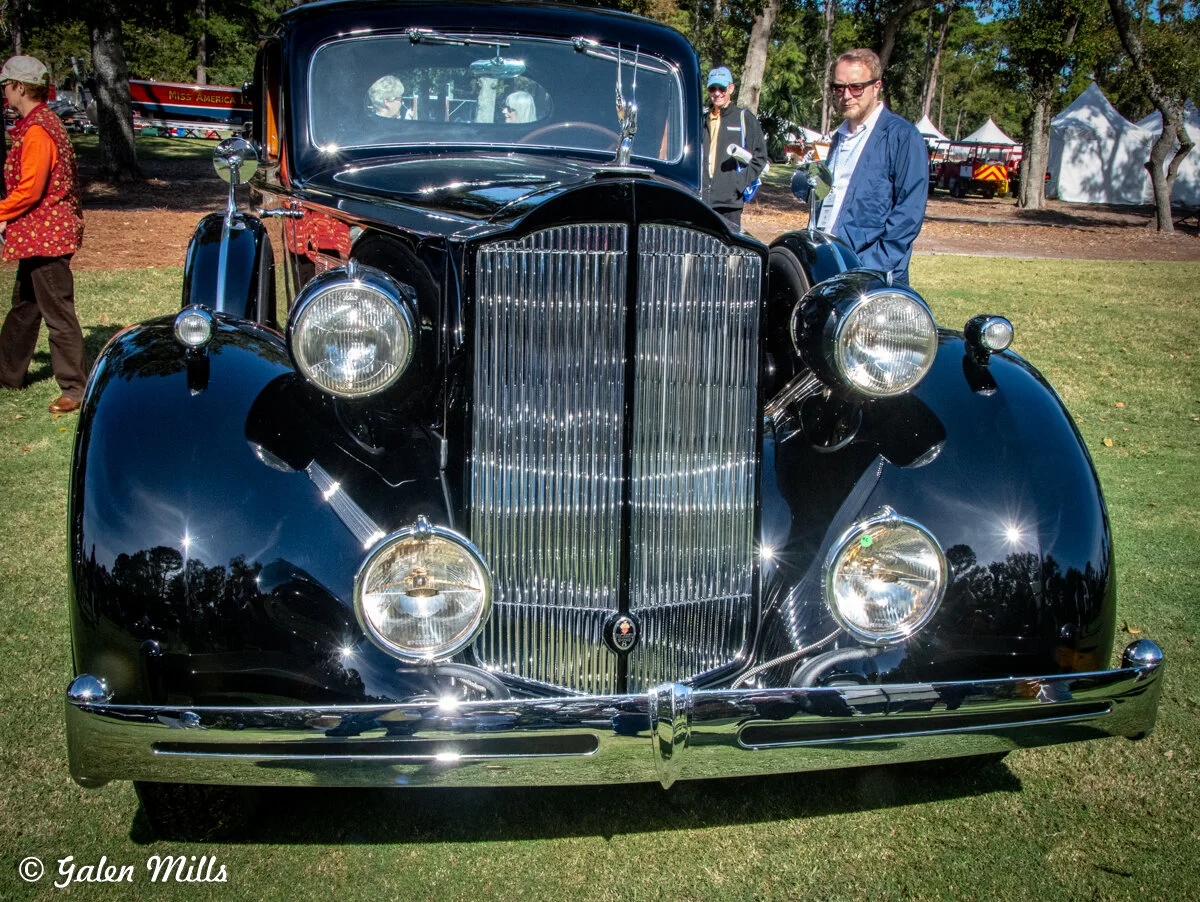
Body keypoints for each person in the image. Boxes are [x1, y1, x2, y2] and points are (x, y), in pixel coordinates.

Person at [0, 55, 86, 414]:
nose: (4, 92)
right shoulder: (40, 123)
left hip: (46, 235)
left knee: (57, 312)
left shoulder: (38, 130)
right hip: (39, 234)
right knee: (25, 306)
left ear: (20, 87)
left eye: (5, 85)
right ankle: (7, 373)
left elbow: (30, 190)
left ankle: (75, 388)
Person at [815, 48, 927, 287]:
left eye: (856, 87)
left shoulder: (903, 137)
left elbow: (908, 214)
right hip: (831, 267)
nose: (846, 95)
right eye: (839, 88)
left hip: (874, 277)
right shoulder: (839, 137)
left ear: (877, 87)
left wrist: (868, 267)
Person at [701, 66, 767, 229]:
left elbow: (760, 157)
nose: (717, 93)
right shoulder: (702, 120)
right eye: (712, 88)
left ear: (731, 88)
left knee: (727, 253)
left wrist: (739, 183)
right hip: (701, 200)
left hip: (729, 203)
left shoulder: (744, 119)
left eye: (721, 88)